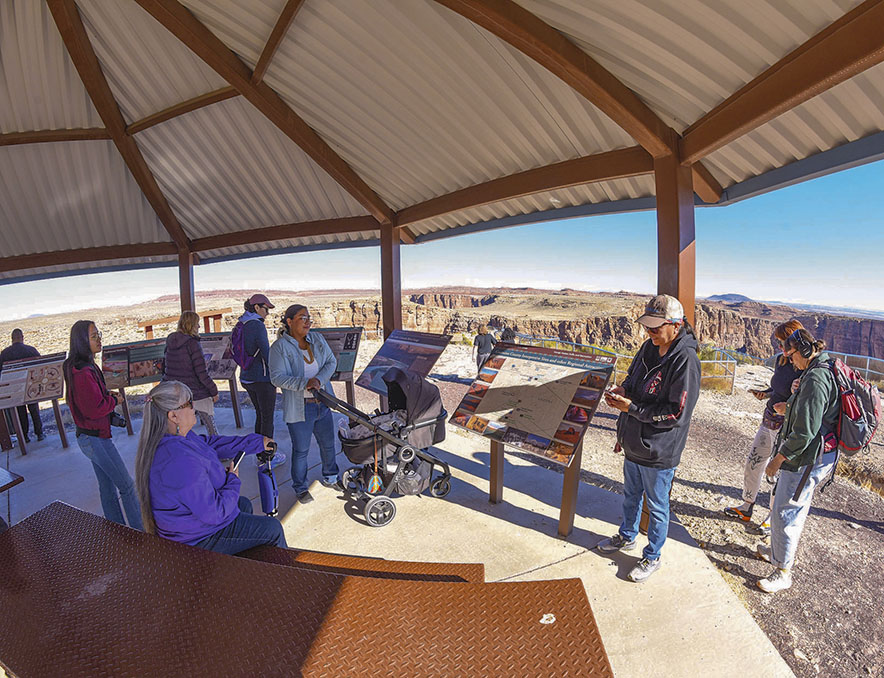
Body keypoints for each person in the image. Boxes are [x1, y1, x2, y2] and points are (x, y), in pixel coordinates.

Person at [597, 295, 701, 583]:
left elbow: (676, 414)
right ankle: (627, 536)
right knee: (630, 495)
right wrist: (623, 391)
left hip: (659, 449)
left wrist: (632, 409)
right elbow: (633, 380)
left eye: (656, 328)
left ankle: (652, 555)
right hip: (634, 440)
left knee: (657, 505)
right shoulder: (648, 348)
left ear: (676, 325)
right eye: (648, 327)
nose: (650, 333)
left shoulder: (686, 361)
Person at [134, 380, 286, 554]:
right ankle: (287, 576)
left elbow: (210, 444)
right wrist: (233, 481)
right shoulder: (178, 460)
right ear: (173, 416)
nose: (194, 407)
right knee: (273, 528)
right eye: (189, 403)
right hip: (196, 538)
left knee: (242, 504)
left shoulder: (179, 439)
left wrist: (255, 443)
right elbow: (215, 513)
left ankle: (240, 567)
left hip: (195, 524)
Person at [755, 328, 839, 593]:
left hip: (806, 457)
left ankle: (783, 572)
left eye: (790, 355)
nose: (789, 361)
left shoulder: (816, 378)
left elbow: (805, 431)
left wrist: (777, 460)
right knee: (790, 506)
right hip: (812, 453)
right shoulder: (820, 367)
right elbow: (815, 411)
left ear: (802, 351)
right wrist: (790, 405)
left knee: (786, 509)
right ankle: (778, 552)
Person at [723, 320, 804, 531]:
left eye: (783, 342)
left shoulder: (806, 367)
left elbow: (806, 401)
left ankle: (771, 516)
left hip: (786, 427)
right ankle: (746, 506)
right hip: (768, 420)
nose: (780, 347)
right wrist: (765, 394)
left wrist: (788, 406)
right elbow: (777, 388)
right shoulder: (781, 361)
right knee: (754, 463)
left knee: (776, 472)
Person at [63, 321, 143, 530]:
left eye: (98, 334)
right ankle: (141, 534)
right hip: (96, 438)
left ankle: (118, 531)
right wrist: (113, 401)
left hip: (89, 436)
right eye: (93, 336)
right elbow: (94, 408)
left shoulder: (76, 366)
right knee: (126, 486)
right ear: (81, 341)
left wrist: (107, 397)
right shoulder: (83, 372)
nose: (99, 339)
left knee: (107, 487)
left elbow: (88, 401)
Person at [269, 304, 341, 505]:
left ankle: (331, 477)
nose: (308, 321)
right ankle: (300, 488)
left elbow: (330, 362)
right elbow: (277, 377)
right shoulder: (280, 348)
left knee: (328, 444)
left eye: (309, 317)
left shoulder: (316, 339)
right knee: (301, 450)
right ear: (289, 321)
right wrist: (304, 384)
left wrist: (318, 381)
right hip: (300, 407)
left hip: (322, 402)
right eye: (302, 318)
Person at [163, 311, 220, 435]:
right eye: (197, 324)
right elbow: (201, 373)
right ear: (191, 325)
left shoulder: (170, 342)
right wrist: (213, 391)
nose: (199, 327)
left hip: (175, 392)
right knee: (211, 426)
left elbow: (166, 368)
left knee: (177, 428)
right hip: (195, 391)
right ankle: (217, 449)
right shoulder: (192, 344)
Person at [237, 294, 276, 438]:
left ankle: (259, 450)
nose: (268, 313)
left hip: (247, 376)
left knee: (260, 415)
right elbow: (266, 353)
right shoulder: (257, 325)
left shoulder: (242, 323)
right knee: (267, 419)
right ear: (257, 307)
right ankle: (268, 454)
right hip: (262, 379)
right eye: (266, 309)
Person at [0, 329, 44, 442]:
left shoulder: (4, 354)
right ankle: (39, 434)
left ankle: (24, 436)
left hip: (15, 390)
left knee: (20, 413)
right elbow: (41, 367)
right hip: (31, 387)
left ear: (12, 339)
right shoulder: (31, 350)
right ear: (22, 337)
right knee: (34, 410)